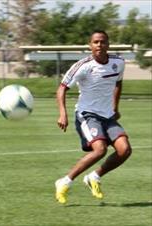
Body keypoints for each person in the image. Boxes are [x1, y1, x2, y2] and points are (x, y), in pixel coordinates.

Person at [54, 30, 132, 204]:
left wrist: (115, 107)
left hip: (108, 115)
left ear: (108, 44)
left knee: (125, 150)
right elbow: (62, 88)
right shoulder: (83, 66)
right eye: (96, 42)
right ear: (90, 45)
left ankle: (94, 177)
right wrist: (62, 113)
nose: (99, 45)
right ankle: (64, 181)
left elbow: (118, 83)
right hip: (87, 114)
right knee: (100, 149)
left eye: (103, 42)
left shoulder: (118, 63)